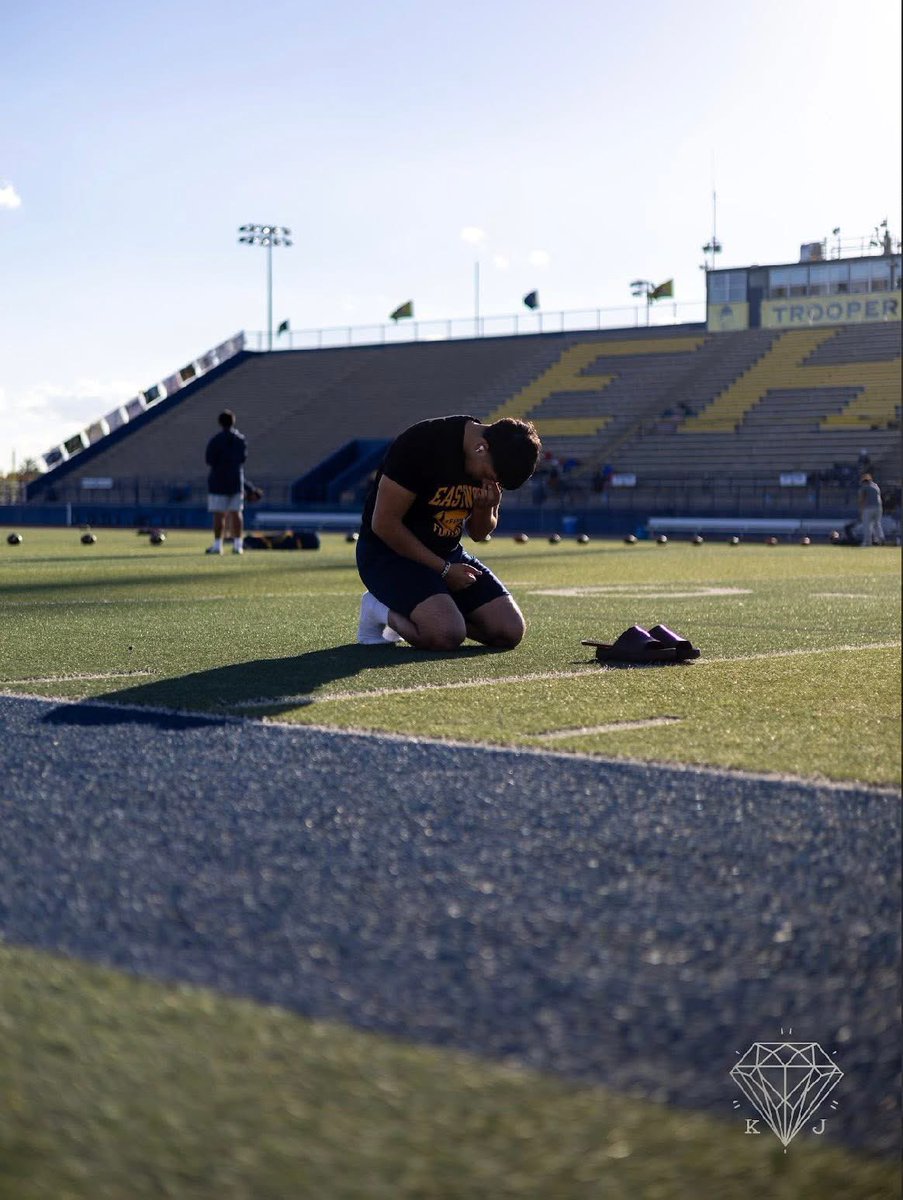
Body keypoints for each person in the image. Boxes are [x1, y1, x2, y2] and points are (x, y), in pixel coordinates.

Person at [356, 414, 541, 650]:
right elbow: (383, 524)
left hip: (446, 555)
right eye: (490, 476)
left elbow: (478, 533)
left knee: (509, 632)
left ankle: (434, 610)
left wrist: (486, 509)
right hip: (389, 555)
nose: (490, 482)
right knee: (445, 635)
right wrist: (443, 570)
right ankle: (379, 610)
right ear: (480, 448)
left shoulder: (491, 457)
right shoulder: (423, 444)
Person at [205, 409, 247, 555]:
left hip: (218, 482)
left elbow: (209, 460)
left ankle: (218, 545)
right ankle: (238, 545)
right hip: (235, 481)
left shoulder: (215, 440)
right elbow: (242, 459)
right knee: (237, 513)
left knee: (219, 515)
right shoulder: (240, 440)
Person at [857, 473, 883, 547]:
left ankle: (867, 542)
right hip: (878, 508)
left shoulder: (864, 487)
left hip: (868, 508)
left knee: (867, 526)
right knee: (877, 524)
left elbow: (862, 498)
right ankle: (881, 539)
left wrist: (861, 509)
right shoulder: (876, 486)